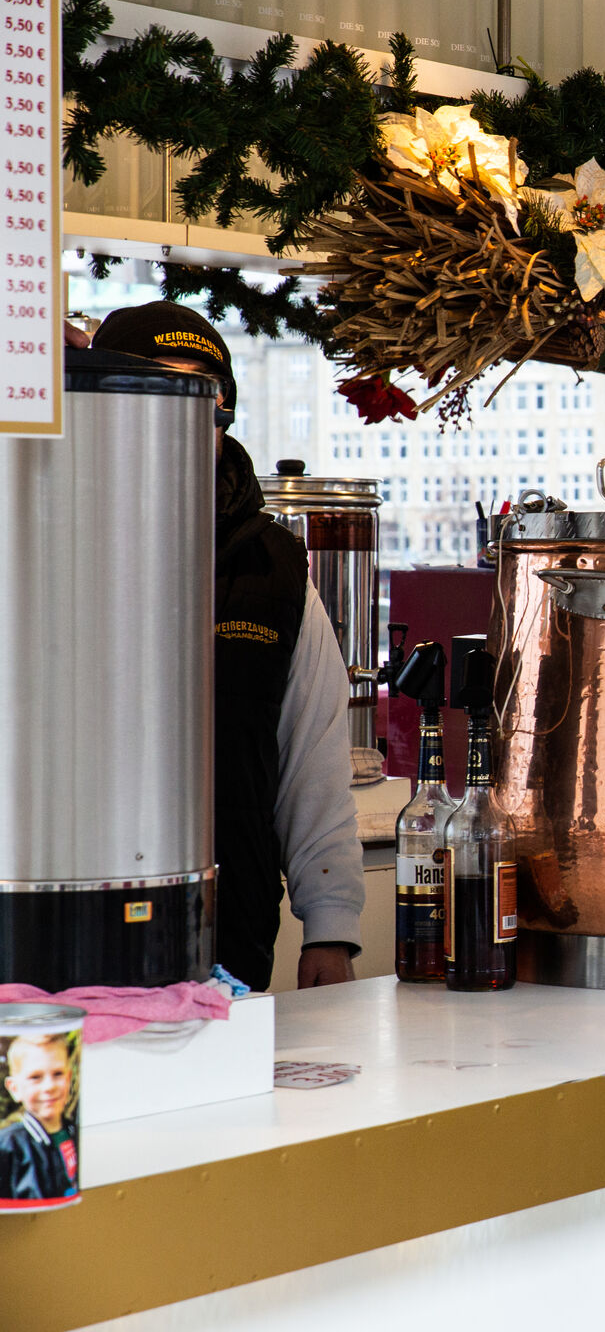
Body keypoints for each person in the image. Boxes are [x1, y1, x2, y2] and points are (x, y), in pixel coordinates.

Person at [92, 303, 365, 991]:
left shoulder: (272, 569)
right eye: (158, 392)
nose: (187, 422)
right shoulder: (48, 537)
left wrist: (330, 927)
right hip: (62, 935)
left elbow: (316, 757)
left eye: (207, 401)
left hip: (228, 940)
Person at [0, 1034, 78, 1200]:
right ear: (14, 1088)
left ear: (69, 1079)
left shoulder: (73, 1132)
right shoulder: (9, 1144)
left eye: (58, 1074)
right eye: (35, 1077)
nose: (49, 1086)